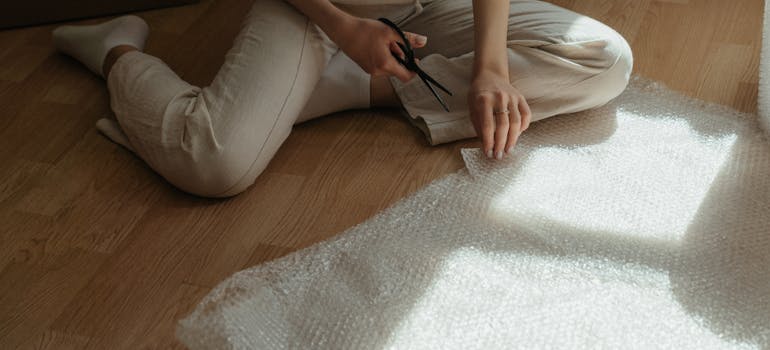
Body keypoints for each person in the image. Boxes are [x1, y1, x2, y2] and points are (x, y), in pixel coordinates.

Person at [52, 0, 632, 198]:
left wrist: (490, 68)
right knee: (213, 162)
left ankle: (357, 84)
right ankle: (117, 52)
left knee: (604, 59)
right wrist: (345, 28)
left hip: (427, 5)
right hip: (312, 12)